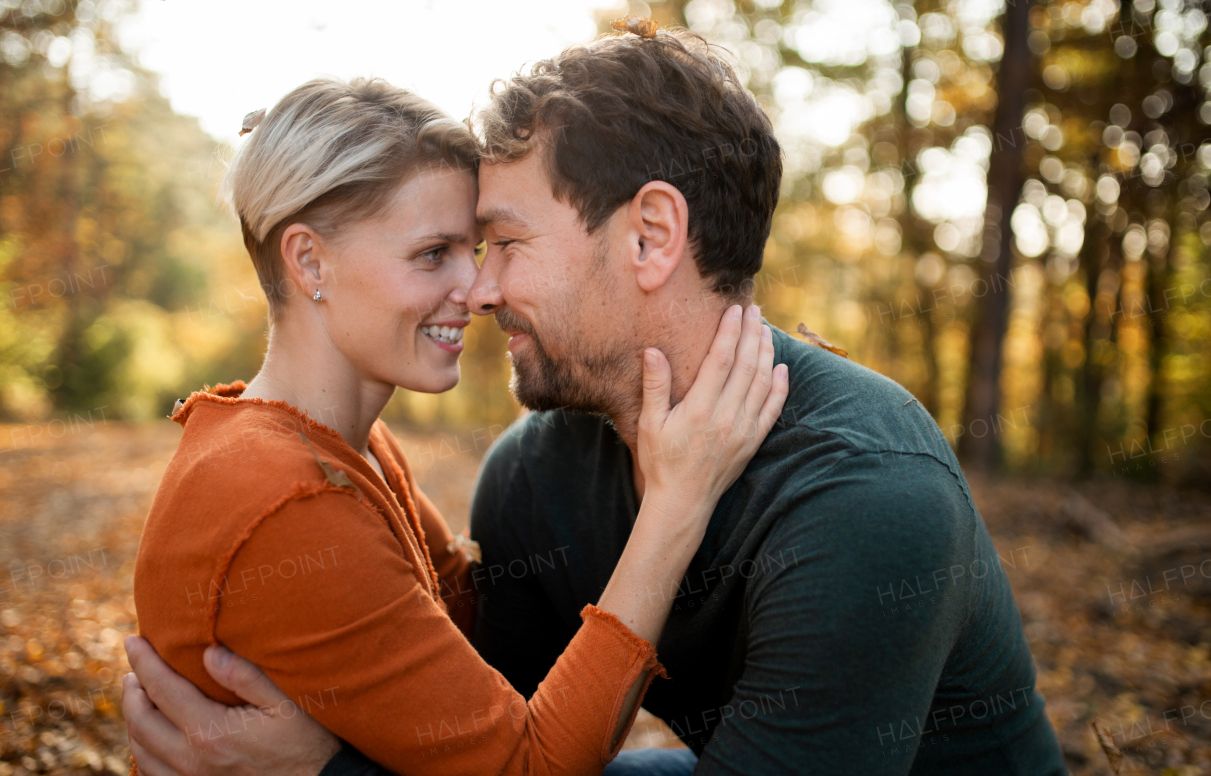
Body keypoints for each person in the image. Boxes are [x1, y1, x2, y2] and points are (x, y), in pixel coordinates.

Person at [123, 24, 1069, 776]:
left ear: (653, 235)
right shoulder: (537, 475)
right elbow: (504, 747)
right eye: (444, 253)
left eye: (502, 243)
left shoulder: (868, 504)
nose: (480, 291)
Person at [123, 75, 788, 776]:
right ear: (309, 260)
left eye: (474, 250)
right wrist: (676, 503)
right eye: (432, 254)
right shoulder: (286, 494)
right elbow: (531, 767)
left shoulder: (350, 448)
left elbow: (482, 644)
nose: (473, 291)